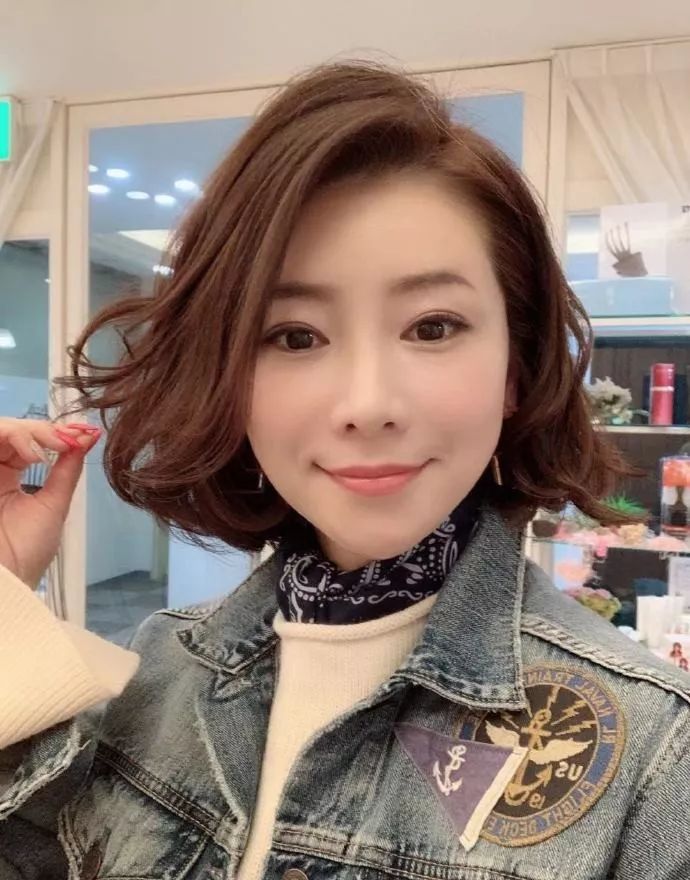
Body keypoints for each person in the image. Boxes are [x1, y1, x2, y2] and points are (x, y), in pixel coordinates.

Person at [1, 62, 689, 880]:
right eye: (295, 336)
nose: (367, 405)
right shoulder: (156, 672)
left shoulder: (655, 757)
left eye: (433, 327)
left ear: (517, 363)